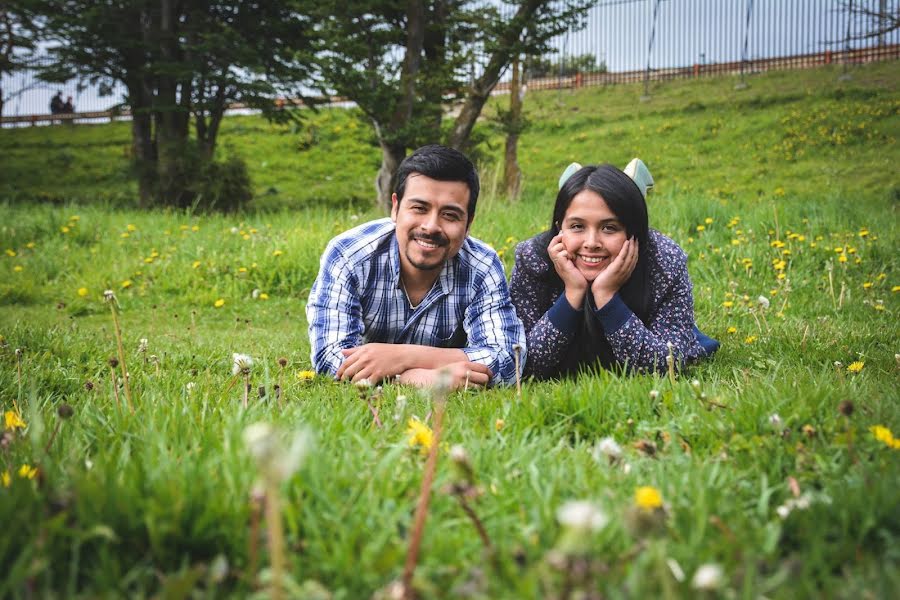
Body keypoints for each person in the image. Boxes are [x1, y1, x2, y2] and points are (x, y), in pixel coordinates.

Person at [307, 144, 526, 390]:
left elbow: (508, 359)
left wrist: (403, 357)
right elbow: (330, 358)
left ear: (469, 223)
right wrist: (416, 379)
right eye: (419, 208)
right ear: (395, 207)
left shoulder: (482, 266)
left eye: (450, 215)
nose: (431, 226)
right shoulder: (348, 254)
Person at [510, 161, 718, 380]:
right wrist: (572, 293)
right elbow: (521, 364)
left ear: (633, 231)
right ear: (559, 226)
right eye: (577, 226)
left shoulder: (664, 259)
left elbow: (669, 364)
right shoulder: (533, 258)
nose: (591, 242)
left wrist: (607, 297)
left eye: (609, 228)